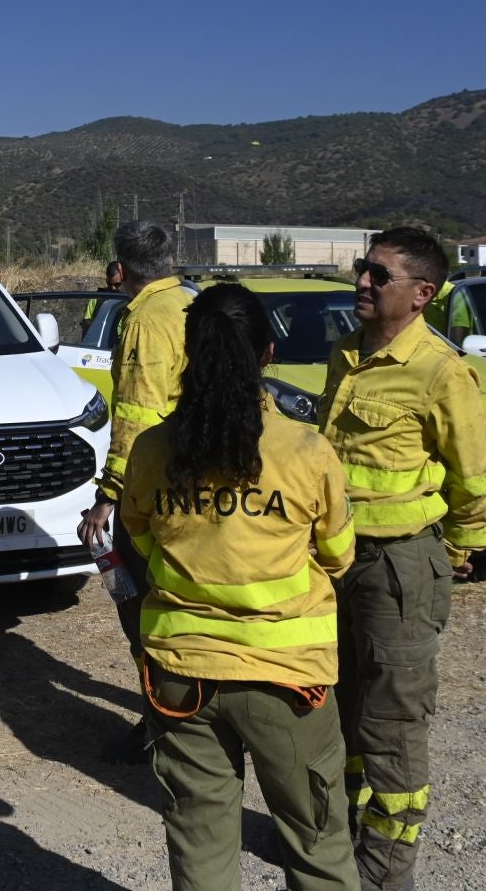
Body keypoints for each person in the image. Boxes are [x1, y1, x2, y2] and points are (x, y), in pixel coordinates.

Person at [122, 283, 358, 891]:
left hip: (182, 675)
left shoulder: (152, 449)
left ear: (188, 356)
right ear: (267, 354)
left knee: (200, 844)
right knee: (316, 844)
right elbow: (337, 556)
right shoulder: (306, 450)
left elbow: (142, 542)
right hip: (284, 676)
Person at [317, 227, 486, 891]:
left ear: (421, 295)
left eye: (378, 275)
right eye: (362, 269)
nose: (362, 282)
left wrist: (456, 550)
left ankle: (387, 872)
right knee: (338, 709)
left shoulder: (441, 372)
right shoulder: (346, 355)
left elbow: (475, 477)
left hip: (399, 568)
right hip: (335, 563)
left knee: (391, 720)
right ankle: (337, 840)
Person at [77, 221, 192, 658]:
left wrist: (109, 496)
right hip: (191, 475)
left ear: (120, 270)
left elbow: (136, 418)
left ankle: (158, 713)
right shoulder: (189, 304)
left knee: (141, 606)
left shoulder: (144, 322)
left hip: (151, 483)